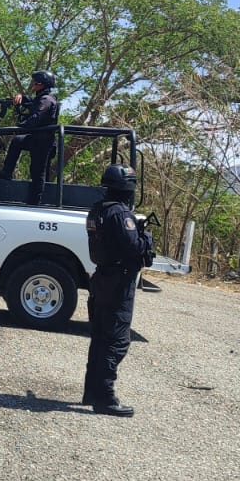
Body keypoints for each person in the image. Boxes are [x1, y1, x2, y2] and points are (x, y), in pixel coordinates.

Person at [81, 163, 153, 417]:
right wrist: (147, 239)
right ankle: (105, 397)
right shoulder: (121, 214)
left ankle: (91, 391)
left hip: (101, 278)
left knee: (100, 337)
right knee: (117, 341)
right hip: (119, 282)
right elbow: (135, 248)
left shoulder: (97, 210)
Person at [0, 70, 59, 205]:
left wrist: (18, 127)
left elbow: (35, 119)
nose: (33, 84)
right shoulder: (40, 97)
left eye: (35, 82)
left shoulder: (47, 100)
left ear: (41, 83)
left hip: (44, 142)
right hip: (37, 140)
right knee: (17, 141)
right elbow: (30, 100)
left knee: (37, 172)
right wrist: (20, 97)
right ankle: (6, 172)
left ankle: (35, 202)